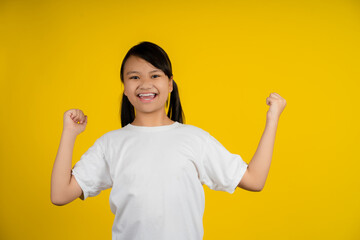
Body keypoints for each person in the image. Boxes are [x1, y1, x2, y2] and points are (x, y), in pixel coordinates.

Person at [51, 41, 287, 240]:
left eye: (155, 75)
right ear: (124, 87)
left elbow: (254, 180)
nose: (145, 84)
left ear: (170, 83)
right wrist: (70, 133)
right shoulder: (110, 144)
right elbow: (60, 194)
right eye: (134, 77)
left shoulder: (194, 139)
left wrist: (272, 119)